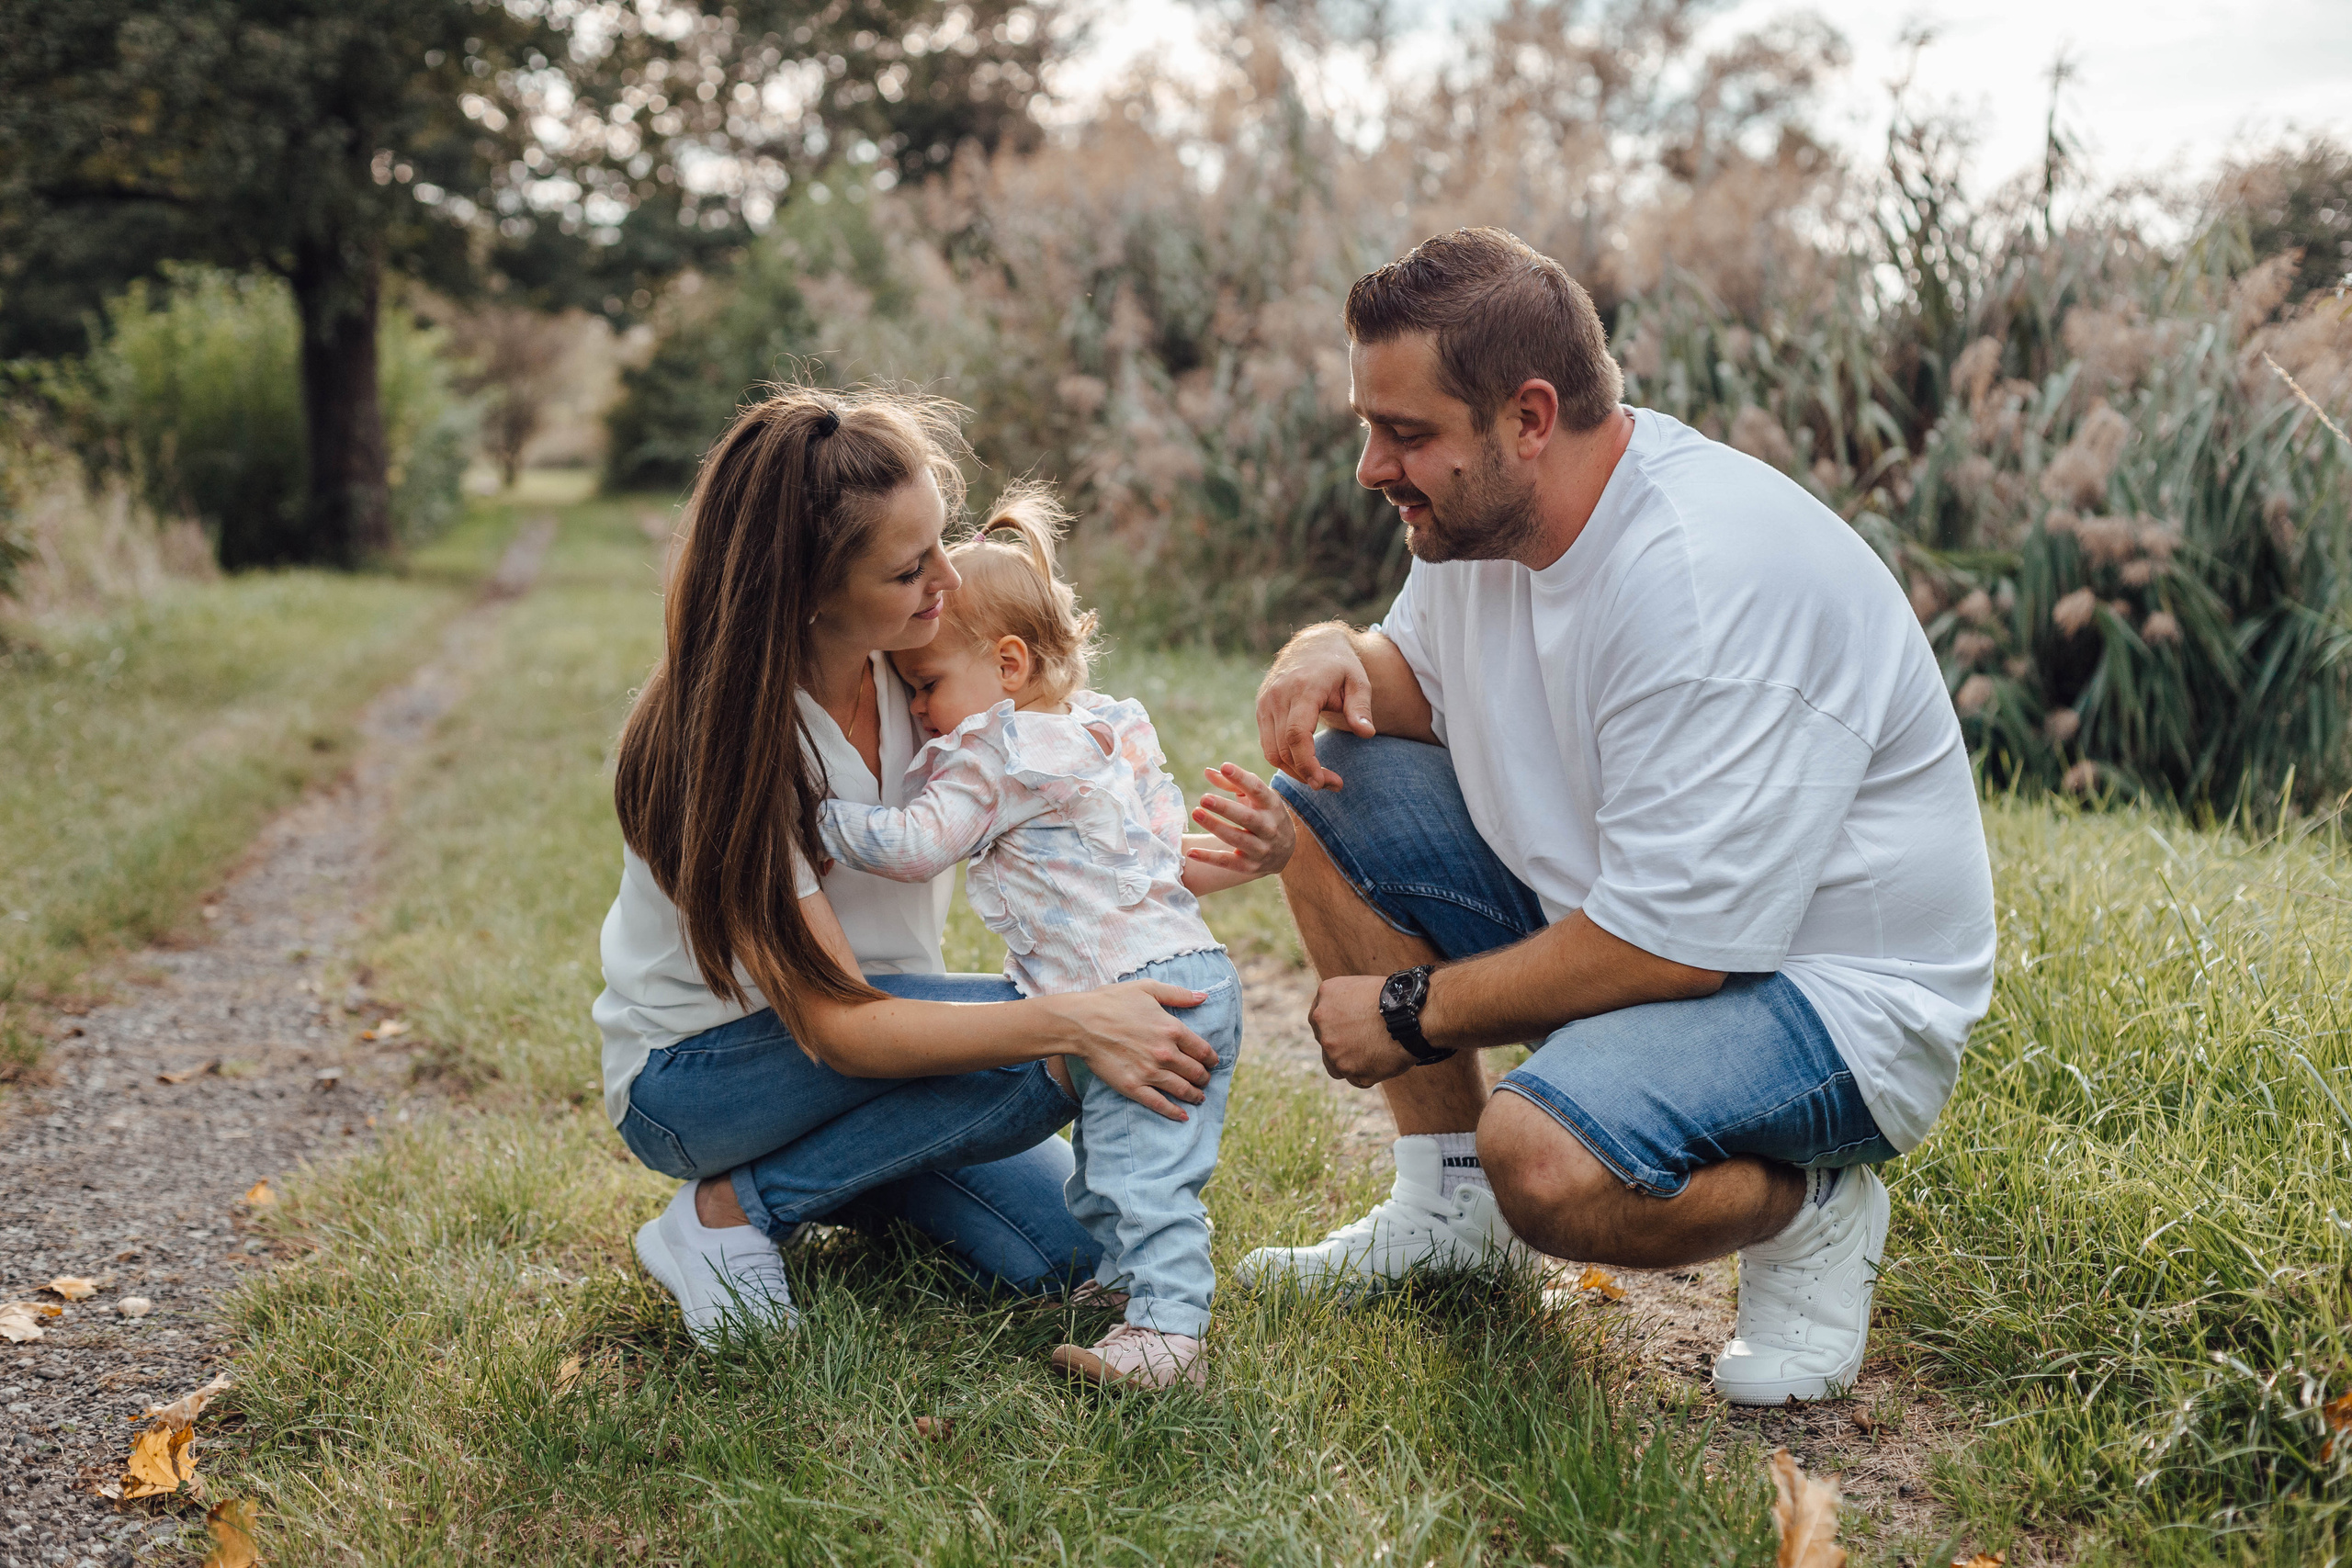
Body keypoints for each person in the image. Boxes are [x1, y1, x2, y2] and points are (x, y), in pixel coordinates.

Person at [1238, 228, 1996, 1405]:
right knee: (1329, 785)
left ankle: (1811, 1209)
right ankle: (1448, 1211)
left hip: (1830, 998)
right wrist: (1327, 647)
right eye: (1366, 428)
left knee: (1544, 1162)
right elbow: (1414, 686)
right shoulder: (1479, 521)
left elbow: (1670, 950)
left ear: (1528, 417)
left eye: (1405, 435)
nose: (1371, 468)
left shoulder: (1706, 589)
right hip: (1637, 911)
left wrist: (1410, 1009)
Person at [594, 388, 1274, 1348]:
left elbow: (1063, 820)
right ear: (808, 591)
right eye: (911, 569)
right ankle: (720, 1216)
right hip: (704, 1077)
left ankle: (852, 1173)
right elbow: (835, 1025)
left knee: (1066, 1261)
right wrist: (1069, 1019)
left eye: (941, 544)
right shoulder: (724, 746)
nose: (947, 582)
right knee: (1069, 1035)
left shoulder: (924, 675)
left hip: (876, 1049)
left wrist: (1230, 861)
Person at [818, 487, 1292, 1389]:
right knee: (1109, 1170)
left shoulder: (999, 750)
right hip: (1176, 973)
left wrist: (818, 816)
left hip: (1142, 994)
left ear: (1005, 665)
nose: (916, 710)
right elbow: (1151, 867)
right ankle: (1124, 1295)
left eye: (923, 686)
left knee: (1148, 1181)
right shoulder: (1098, 733)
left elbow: (919, 847)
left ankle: (1168, 1337)